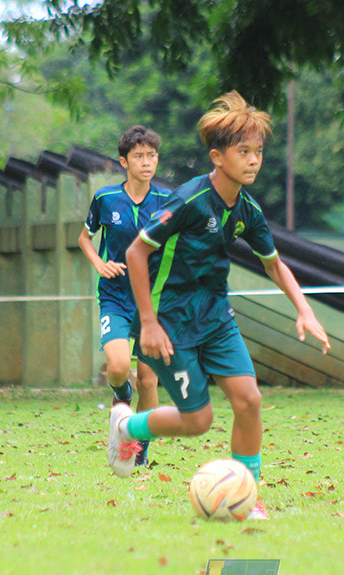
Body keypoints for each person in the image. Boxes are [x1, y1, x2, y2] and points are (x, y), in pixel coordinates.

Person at [115, 91, 330, 519]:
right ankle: (128, 426)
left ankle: (246, 494)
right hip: (170, 320)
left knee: (249, 400)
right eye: (243, 151)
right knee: (198, 422)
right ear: (217, 156)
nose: (254, 160)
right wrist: (149, 323)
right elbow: (136, 254)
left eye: (259, 152)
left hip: (215, 317)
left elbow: (275, 265)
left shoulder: (248, 210)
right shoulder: (190, 200)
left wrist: (304, 309)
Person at [78, 126, 170, 469]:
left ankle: (140, 450)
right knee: (118, 367)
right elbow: (85, 238)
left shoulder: (166, 202)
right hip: (115, 297)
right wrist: (99, 263)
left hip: (153, 303)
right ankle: (121, 395)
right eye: (139, 156)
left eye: (151, 156)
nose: (146, 163)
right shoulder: (105, 199)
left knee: (149, 379)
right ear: (123, 161)